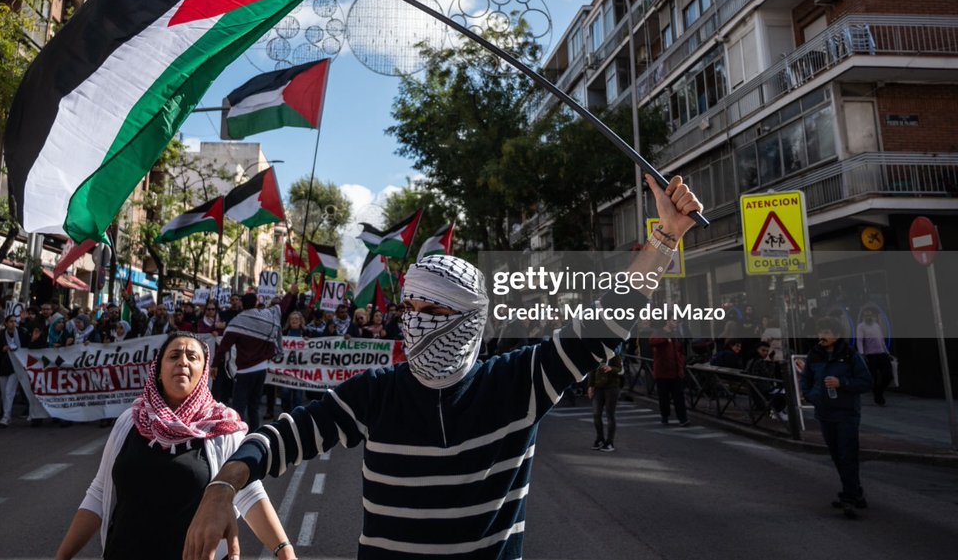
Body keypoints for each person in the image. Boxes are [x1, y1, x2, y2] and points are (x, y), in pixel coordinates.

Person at [185, 174, 702, 559]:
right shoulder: (376, 393)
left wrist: (666, 237)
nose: (415, 324)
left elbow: (609, 321)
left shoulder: (518, 383)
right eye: (408, 310)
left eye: (434, 313)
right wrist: (222, 487)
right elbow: (282, 438)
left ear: (471, 320)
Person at [55, 333, 297, 560]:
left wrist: (285, 552)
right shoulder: (130, 421)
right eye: (174, 356)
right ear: (158, 371)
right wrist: (62, 556)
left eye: (192, 357)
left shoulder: (222, 428)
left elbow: (250, 494)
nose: (182, 361)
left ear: (204, 372)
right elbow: (98, 494)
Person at [797, 316, 873, 513]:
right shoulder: (814, 354)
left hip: (846, 412)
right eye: (820, 332)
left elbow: (866, 382)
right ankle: (855, 492)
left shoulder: (850, 355)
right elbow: (806, 379)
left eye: (826, 332)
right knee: (837, 455)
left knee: (847, 453)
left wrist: (842, 383)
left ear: (837, 335)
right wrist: (811, 396)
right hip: (824, 412)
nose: (821, 336)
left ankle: (849, 497)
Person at [213, 291, 293, 429]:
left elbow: (223, 346)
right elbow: (283, 307)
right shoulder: (268, 316)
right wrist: (292, 292)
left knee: (239, 406)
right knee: (254, 406)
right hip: (262, 369)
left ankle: (238, 436)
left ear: (241, 304)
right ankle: (255, 435)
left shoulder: (238, 321)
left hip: (244, 371)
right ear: (256, 302)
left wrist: (214, 365)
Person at [650, 318, 690, 426]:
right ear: (667, 321)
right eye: (673, 321)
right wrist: (664, 339)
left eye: (676, 321)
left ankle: (683, 419)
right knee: (664, 396)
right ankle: (665, 416)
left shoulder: (676, 334)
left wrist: (681, 360)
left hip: (676, 371)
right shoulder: (659, 332)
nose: (676, 323)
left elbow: (680, 349)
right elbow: (652, 341)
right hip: (663, 371)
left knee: (679, 396)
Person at [856, 309, 892, 406]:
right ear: (863, 317)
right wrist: (862, 354)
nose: (868, 317)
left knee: (889, 375)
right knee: (873, 378)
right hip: (870, 355)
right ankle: (878, 396)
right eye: (866, 315)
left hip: (882, 353)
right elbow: (859, 340)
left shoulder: (876, 325)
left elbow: (881, 340)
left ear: (873, 316)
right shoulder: (861, 326)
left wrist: (887, 352)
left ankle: (879, 392)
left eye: (870, 315)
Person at [588, 352, 623, 452]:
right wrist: (590, 386)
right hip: (598, 388)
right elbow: (592, 370)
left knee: (610, 415)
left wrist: (611, 368)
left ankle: (609, 442)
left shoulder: (614, 354)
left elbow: (621, 370)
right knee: (596, 414)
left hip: (611, 388)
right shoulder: (597, 354)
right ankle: (600, 439)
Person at [0, 314, 23, 427]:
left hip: (15, 367)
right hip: (3, 366)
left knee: (9, 391)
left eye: (14, 321)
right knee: (4, 393)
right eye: (11, 321)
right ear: (6, 323)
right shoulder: (1, 336)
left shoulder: (21, 333)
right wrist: (2, 349)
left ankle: (6, 417)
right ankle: (7, 415)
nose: (13, 324)